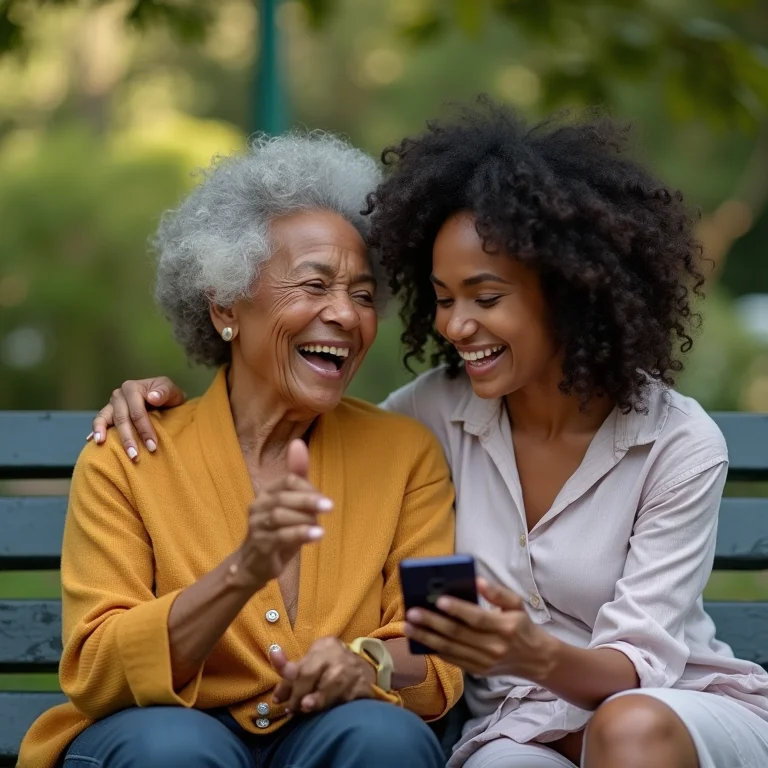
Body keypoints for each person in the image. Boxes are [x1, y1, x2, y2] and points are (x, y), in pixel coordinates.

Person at [87, 100, 768, 768]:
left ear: (567, 292)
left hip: (659, 707)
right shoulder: (421, 420)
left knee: (614, 731)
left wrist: (410, 660)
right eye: (443, 299)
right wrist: (164, 407)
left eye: (486, 297)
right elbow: (418, 625)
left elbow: (633, 664)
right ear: (224, 303)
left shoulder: (669, 442)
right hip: (517, 728)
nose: (452, 326)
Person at [17, 133, 464, 768]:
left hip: (332, 732)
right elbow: (96, 668)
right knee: (171, 748)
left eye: (363, 295)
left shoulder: (409, 453)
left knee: (381, 737)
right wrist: (242, 571)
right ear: (226, 303)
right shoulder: (127, 452)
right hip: (160, 737)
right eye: (313, 285)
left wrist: (370, 666)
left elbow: (441, 648)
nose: (344, 313)